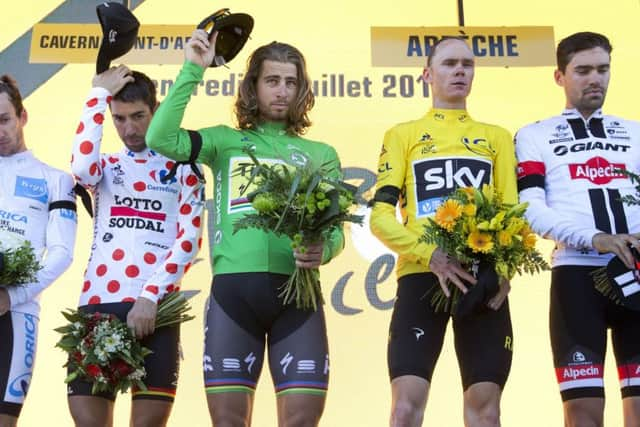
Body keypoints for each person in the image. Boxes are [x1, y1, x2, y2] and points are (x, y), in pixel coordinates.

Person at [146, 31, 345, 426]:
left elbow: (335, 230)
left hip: (298, 301)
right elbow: (159, 137)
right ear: (253, 85)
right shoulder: (225, 142)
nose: (282, 91)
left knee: (302, 421)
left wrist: (327, 249)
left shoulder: (322, 154)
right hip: (234, 299)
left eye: (291, 82)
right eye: (272, 80)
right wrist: (193, 69)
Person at [370, 37, 517, 427]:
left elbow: (513, 217)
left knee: (486, 412)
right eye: (450, 63)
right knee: (405, 409)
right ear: (427, 74)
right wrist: (429, 254)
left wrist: (505, 272)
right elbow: (380, 217)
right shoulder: (402, 134)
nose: (460, 71)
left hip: (480, 278)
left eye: (467, 65)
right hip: (422, 275)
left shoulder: (497, 137)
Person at [67, 66, 204, 427]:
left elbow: (189, 240)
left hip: (155, 308)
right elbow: (80, 170)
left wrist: (150, 295)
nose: (129, 129)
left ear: (156, 112)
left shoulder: (184, 168)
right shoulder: (107, 166)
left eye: (139, 116)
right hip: (99, 302)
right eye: (119, 119)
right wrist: (97, 96)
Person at [515, 31, 640, 427]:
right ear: (559, 76)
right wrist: (594, 238)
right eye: (583, 70)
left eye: (603, 70)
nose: (595, 79)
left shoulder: (636, 132)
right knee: (582, 412)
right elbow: (530, 208)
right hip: (576, 273)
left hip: (635, 273)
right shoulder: (534, 134)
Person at [0, 75, 78, 426]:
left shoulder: (55, 180)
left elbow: (62, 253)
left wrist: (11, 296)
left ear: (22, 116)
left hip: (16, 315)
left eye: (4, 120)